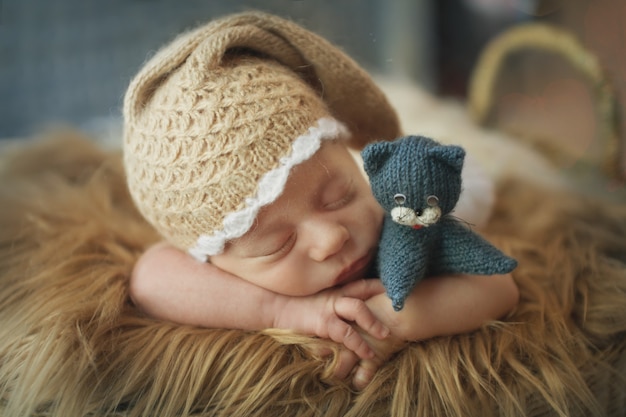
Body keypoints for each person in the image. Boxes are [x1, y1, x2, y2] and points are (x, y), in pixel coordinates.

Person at [123, 11, 519, 389]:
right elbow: (149, 280)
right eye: (279, 244)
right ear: (210, 259)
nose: (332, 238)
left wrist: (390, 320)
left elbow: (499, 286)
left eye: (339, 196)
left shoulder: (397, 223)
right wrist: (284, 311)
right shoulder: (220, 274)